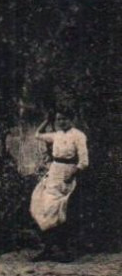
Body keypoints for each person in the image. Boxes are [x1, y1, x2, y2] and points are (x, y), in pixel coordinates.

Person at [31, 110, 90, 261]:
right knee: (43, 206)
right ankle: (48, 248)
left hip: (68, 173)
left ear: (72, 119)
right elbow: (38, 134)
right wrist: (47, 120)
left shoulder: (78, 135)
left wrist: (73, 173)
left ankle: (64, 250)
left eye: (64, 119)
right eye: (58, 119)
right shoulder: (56, 135)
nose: (61, 122)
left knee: (61, 211)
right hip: (54, 172)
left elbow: (84, 161)